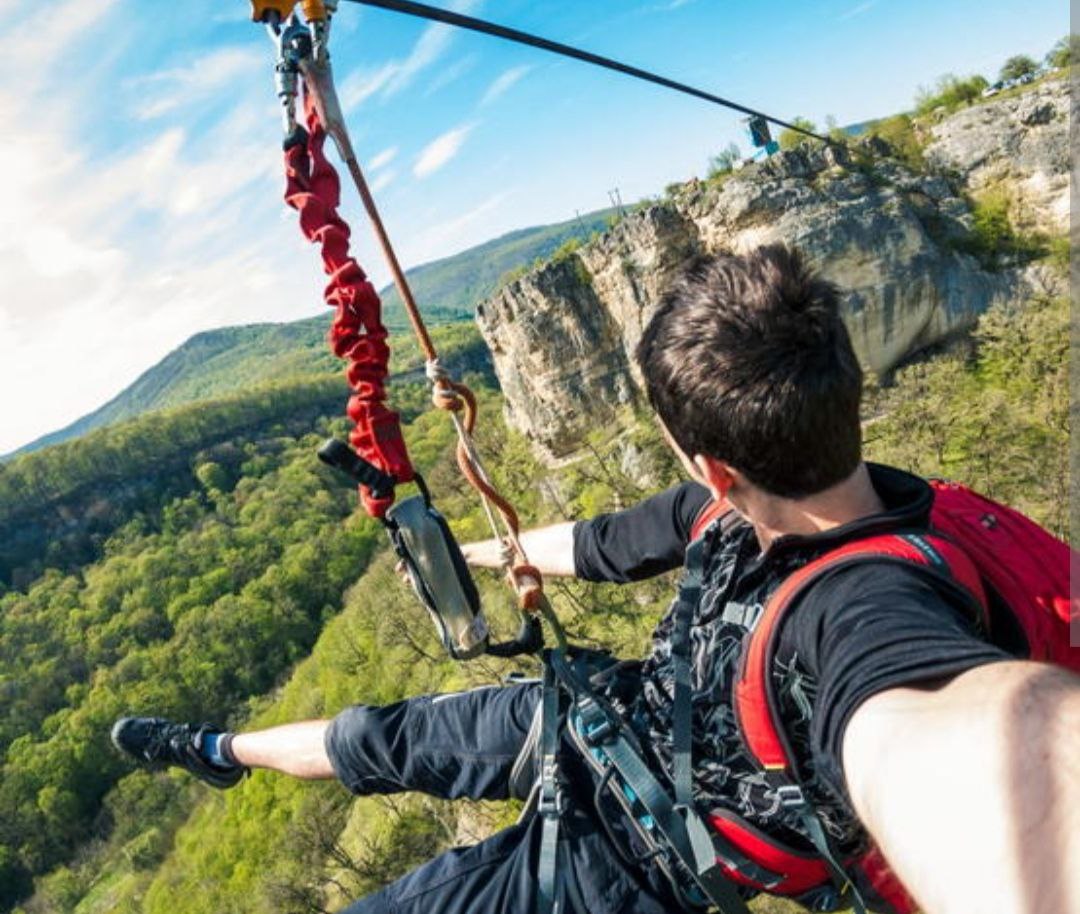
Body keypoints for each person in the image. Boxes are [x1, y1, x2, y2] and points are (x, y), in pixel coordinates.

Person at [111, 245, 1080, 914]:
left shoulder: (869, 605)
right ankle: (219, 746)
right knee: (387, 733)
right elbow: (604, 539)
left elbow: (960, 727)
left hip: (638, 849)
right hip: (615, 713)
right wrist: (471, 554)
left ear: (705, 458)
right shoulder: (719, 505)